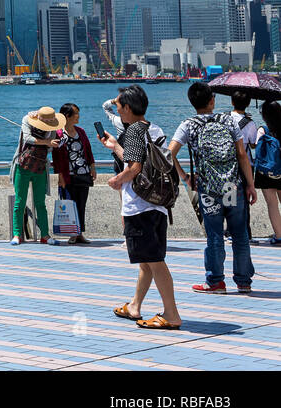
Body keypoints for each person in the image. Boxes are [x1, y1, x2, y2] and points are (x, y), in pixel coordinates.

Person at [98, 84, 182, 330]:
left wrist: (116, 180)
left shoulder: (133, 130)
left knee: (155, 261)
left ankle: (171, 314)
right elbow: (140, 160)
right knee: (148, 260)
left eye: (119, 105)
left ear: (128, 107)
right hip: (157, 203)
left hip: (139, 205)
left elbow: (134, 168)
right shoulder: (151, 128)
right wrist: (115, 147)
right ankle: (135, 305)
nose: (117, 109)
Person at [167, 81, 255, 294]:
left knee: (215, 235)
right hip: (232, 187)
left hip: (208, 190)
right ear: (212, 100)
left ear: (191, 102)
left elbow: (168, 154)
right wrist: (250, 185)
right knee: (239, 234)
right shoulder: (229, 121)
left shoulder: (188, 125)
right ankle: (243, 282)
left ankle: (216, 282)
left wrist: (186, 177)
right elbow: (242, 154)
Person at [233, 91, 281, 244]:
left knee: (272, 204)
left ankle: (279, 236)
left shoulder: (263, 130)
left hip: (266, 172)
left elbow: (255, 146)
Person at [11, 107, 64, 245]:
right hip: (22, 165)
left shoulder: (53, 128)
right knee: (19, 201)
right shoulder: (27, 120)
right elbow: (27, 138)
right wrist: (46, 142)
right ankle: (17, 234)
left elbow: (51, 148)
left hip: (40, 167)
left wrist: (52, 143)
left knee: (40, 203)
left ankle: (45, 235)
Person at [52, 103, 96, 244]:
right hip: (68, 175)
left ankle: (80, 233)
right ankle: (72, 233)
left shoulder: (81, 131)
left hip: (83, 172)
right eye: (75, 113)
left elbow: (88, 150)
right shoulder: (58, 133)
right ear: (67, 116)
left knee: (81, 204)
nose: (78, 116)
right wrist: (60, 177)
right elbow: (56, 158)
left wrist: (92, 168)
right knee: (70, 204)